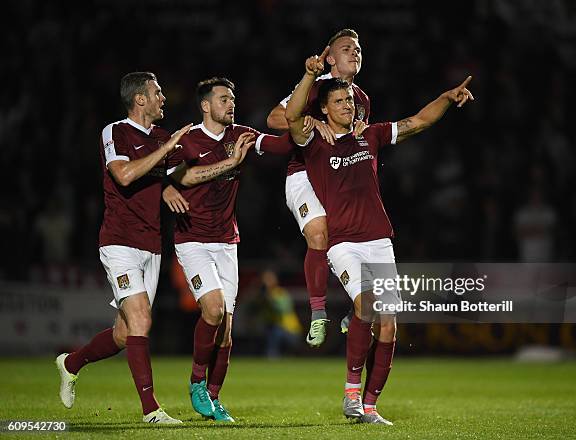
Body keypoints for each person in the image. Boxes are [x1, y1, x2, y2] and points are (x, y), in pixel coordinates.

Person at [285, 49, 474, 425]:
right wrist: (308, 75)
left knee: (388, 322)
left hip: (378, 239)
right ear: (323, 110)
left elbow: (417, 122)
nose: (346, 104)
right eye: (338, 101)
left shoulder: (368, 135)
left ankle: (370, 406)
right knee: (368, 305)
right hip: (342, 243)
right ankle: (351, 394)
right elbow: (290, 117)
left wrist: (446, 99)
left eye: (350, 99)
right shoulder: (315, 143)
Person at [55, 72, 235, 424]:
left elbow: (170, 177)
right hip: (119, 241)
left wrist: (177, 183)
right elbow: (123, 175)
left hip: (151, 245)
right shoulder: (116, 131)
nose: (163, 98)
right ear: (139, 99)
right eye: (157, 93)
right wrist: (166, 153)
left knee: (125, 333)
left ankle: (71, 363)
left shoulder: (163, 137)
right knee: (141, 320)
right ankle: (151, 410)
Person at [162, 77, 296, 422]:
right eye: (223, 99)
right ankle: (195, 382)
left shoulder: (242, 134)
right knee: (213, 309)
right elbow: (181, 178)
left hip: (227, 241)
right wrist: (231, 163)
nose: (230, 104)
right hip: (192, 239)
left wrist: (302, 121)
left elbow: (280, 147)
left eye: (232, 99)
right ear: (205, 105)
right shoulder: (187, 140)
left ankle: (214, 397)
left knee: (226, 330)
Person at [266, 29, 370, 347]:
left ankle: (357, 307)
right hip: (305, 175)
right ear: (330, 58)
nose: (354, 52)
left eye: (358, 48)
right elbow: (273, 118)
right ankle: (317, 313)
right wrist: (311, 121)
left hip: (341, 179)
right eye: (346, 48)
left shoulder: (362, 100)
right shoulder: (315, 87)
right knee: (319, 234)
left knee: (353, 240)